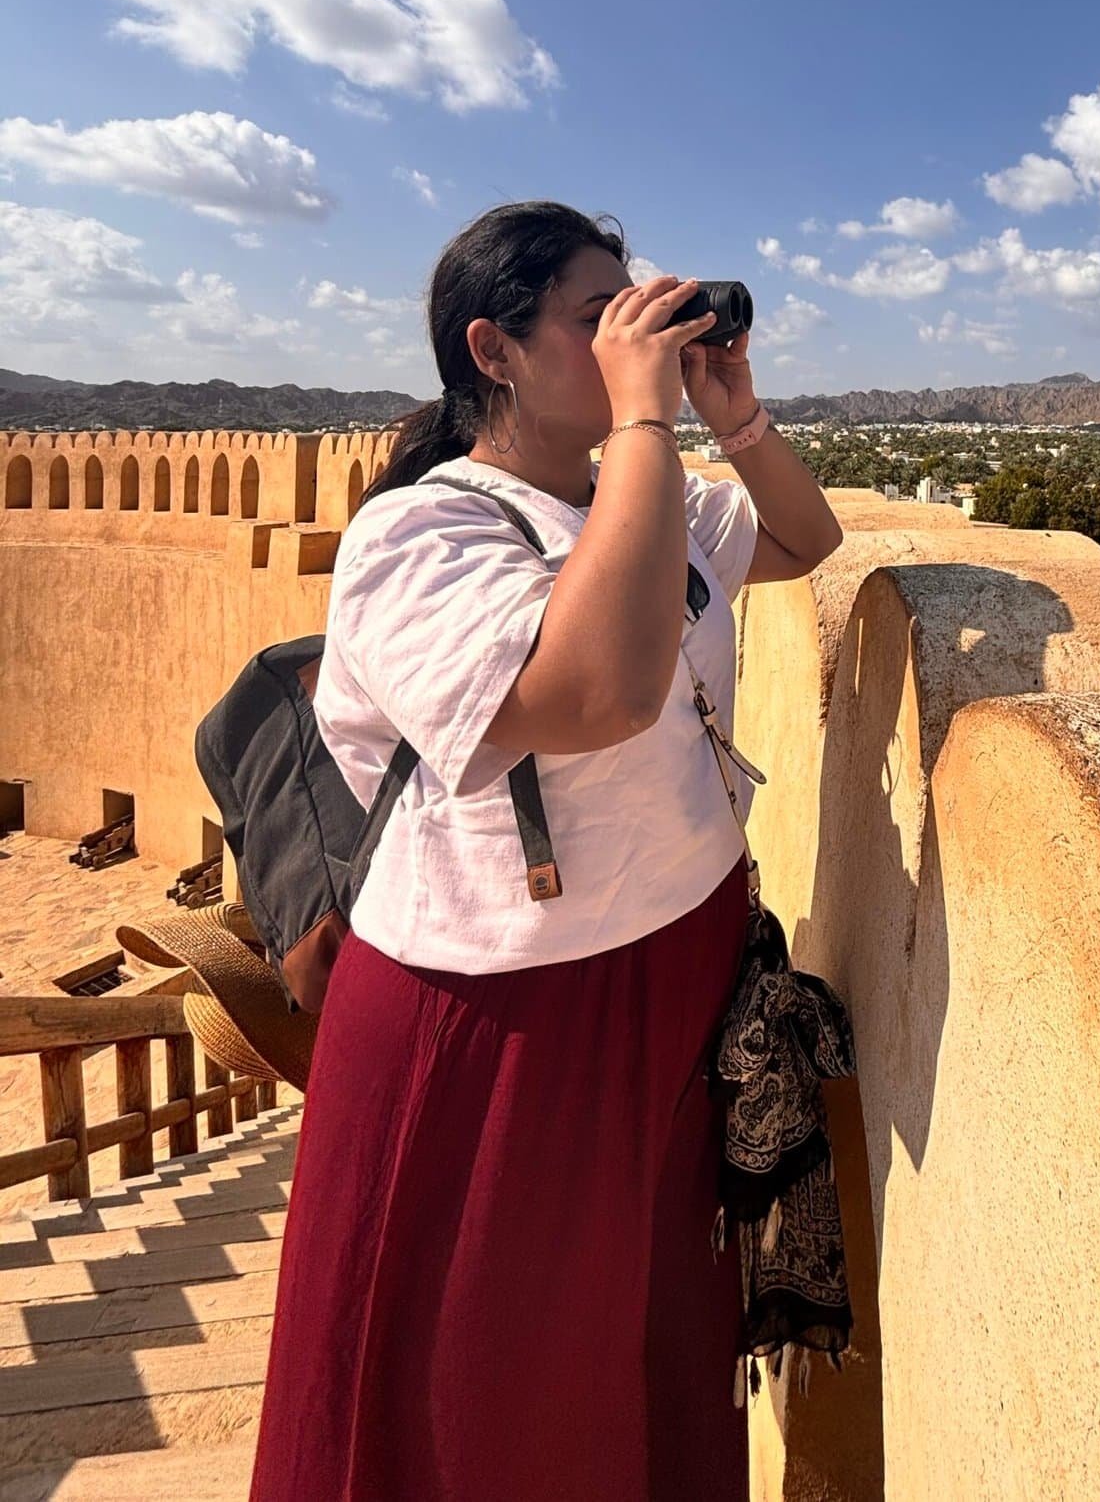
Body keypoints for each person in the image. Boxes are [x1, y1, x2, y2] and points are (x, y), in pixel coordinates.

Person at [248, 199, 844, 1502]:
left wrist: (729, 412)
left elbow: (808, 542)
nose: (637, 334)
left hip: (669, 985)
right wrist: (644, 421)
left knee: (640, 1376)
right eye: (599, 316)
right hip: (495, 1026)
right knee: (478, 1411)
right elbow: (600, 695)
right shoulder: (420, 538)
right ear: (495, 351)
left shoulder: (662, 497)